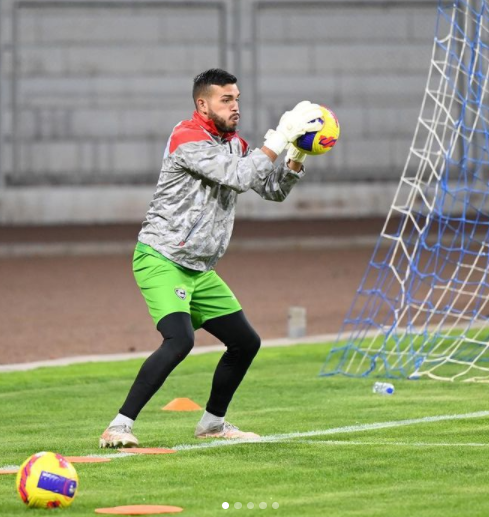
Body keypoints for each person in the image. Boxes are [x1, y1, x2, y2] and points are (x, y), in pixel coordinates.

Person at [100, 68, 323, 447]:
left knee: (245, 342)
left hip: (200, 269)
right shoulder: (186, 137)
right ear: (202, 104)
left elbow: (271, 189)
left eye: (237, 98)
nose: (236, 106)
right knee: (179, 340)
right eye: (226, 99)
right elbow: (237, 177)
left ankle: (213, 423)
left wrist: (296, 155)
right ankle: (119, 425)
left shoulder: (234, 143)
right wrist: (278, 138)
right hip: (162, 258)